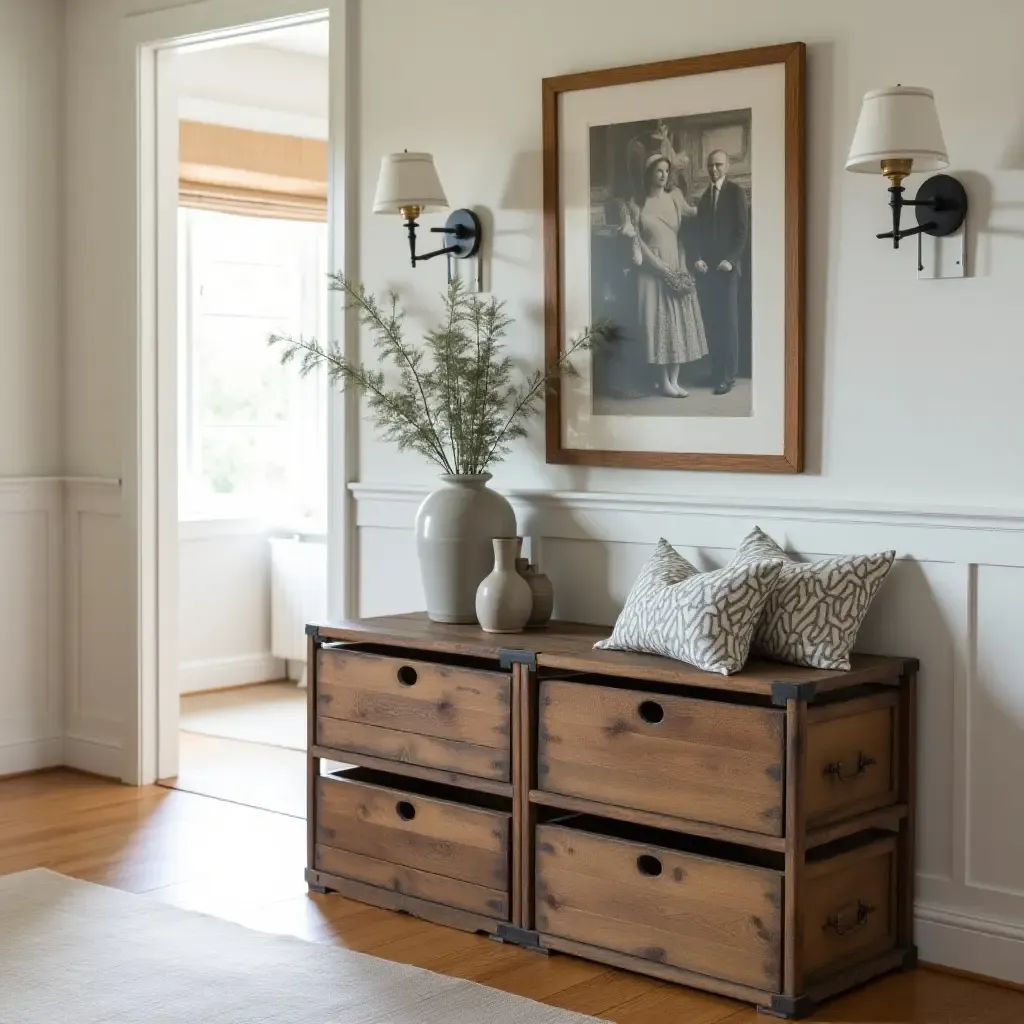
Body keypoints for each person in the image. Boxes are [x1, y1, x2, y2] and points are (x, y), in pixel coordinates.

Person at [621, 154, 708, 398]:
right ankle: (662, 381)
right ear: (649, 174)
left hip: (676, 261)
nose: (663, 175)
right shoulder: (637, 203)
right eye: (658, 171)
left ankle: (674, 379)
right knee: (660, 324)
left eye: (666, 171)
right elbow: (638, 241)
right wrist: (658, 266)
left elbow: (692, 215)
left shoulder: (675, 197)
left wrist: (680, 266)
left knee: (678, 323)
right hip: (651, 269)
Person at [693, 149, 749, 396]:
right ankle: (716, 373)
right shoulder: (704, 198)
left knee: (728, 324)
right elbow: (700, 235)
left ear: (727, 166)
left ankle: (728, 376)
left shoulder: (736, 192)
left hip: (728, 270)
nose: (714, 170)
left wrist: (731, 260)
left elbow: (742, 232)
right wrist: (698, 259)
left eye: (718, 165)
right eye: (710, 166)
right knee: (713, 323)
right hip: (709, 271)